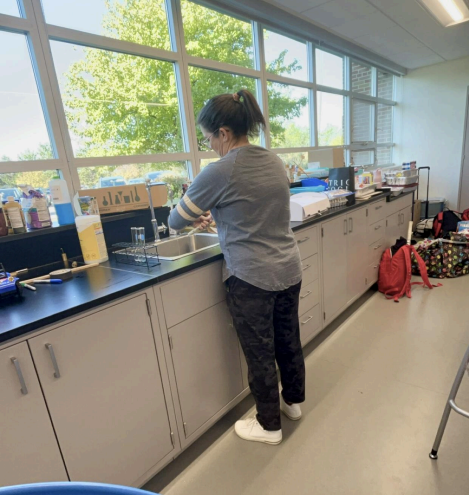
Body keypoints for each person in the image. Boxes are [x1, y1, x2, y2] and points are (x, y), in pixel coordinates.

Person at [168, 89, 305, 445]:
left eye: (209, 137)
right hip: (288, 268)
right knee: (288, 341)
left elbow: (175, 220)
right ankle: (292, 404)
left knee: (259, 351)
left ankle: (269, 426)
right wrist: (219, 213)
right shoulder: (273, 160)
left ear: (224, 133)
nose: (209, 144)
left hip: (252, 277)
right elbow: (254, 206)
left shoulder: (221, 169)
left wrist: (202, 209)